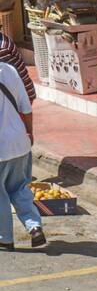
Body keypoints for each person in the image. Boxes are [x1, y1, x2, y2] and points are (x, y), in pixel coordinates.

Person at [0, 60, 44, 250]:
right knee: (19, 188)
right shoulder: (8, 70)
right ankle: (34, 227)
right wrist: (29, 132)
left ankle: (5, 238)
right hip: (18, 143)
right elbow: (25, 108)